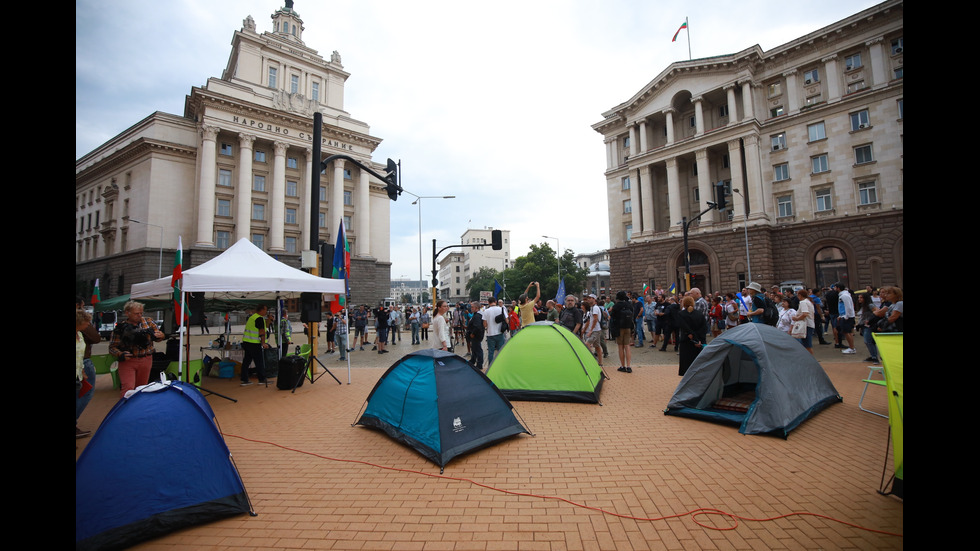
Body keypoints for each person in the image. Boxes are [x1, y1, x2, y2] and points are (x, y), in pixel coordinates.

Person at [108, 300, 166, 396]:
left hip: (146, 359)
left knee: (142, 388)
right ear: (127, 313)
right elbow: (112, 347)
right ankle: (125, 409)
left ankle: (138, 409)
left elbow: (158, 337)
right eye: (136, 313)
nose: (139, 315)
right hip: (129, 360)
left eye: (141, 313)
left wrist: (161, 336)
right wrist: (120, 354)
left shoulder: (148, 322)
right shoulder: (120, 328)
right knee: (128, 388)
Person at [76, 307, 100, 439]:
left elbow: (79, 356)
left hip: (78, 374)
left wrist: (82, 371)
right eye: (87, 322)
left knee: (83, 396)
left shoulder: (79, 335)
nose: (88, 325)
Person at [239, 304, 271, 386]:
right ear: (262, 309)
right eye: (265, 310)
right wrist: (263, 343)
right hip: (254, 343)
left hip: (247, 342)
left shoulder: (252, 317)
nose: (266, 312)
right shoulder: (259, 318)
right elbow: (261, 332)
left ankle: (244, 379)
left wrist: (268, 321)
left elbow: (260, 328)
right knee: (259, 361)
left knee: (246, 361)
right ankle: (262, 379)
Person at [677, 296, 708, 377]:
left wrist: (693, 337)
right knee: (697, 364)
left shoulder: (681, 314)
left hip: (687, 341)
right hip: (698, 343)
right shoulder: (699, 314)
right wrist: (699, 340)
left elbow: (685, 327)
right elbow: (704, 328)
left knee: (687, 365)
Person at [610, 291, 634, 373]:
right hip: (628, 327)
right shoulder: (629, 305)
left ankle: (622, 366)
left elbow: (612, 317)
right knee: (627, 346)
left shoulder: (616, 306)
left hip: (619, 328)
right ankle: (629, 366)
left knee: (620, 347)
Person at [582, 294, 604, 370]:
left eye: (590, 298)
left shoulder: (595, 308)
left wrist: (590, 330)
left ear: (594, 299)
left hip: (595, 330)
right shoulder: (592, 308)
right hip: (596, 329)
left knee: (587, 343)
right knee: (597, 346)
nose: (588, 299)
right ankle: (600, 363)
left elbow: (595, 319)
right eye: (588, 298)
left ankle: (593, 360)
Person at [855, 291, 878, 362]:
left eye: (861, 297)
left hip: (869, 326)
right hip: (863, 326)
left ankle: (874, 357)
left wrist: (870, 320)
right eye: (859, 297)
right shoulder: (862, 306)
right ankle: (873, 356)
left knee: (868, 341)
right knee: (867, 341)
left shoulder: (870, 305)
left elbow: (877, 312)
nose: (859, 299)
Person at [792, 289, 815, 355]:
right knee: (806, 344)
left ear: (800, 295)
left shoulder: (803, 302)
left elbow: (805, 313)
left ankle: (811, 360)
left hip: (806, 324)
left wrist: (796, 318)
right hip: (809, 324)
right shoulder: (808, 301)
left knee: (807, 345)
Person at [483, 299, 505, 365]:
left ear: (488, 302)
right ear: (495, 302)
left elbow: (485, 324)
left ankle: (490, 366)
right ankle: (501, 364)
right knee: (500, 351)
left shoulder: (486, 311)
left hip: (490, 334)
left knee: (491, 352)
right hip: (500, 333)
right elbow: (507, 320)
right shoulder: (501, 309)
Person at [836, 283, 857, 354]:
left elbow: (848, 306)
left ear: (838, 288)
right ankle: (851, 347)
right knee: (848, 332)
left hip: (847, 317)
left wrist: (846, 316)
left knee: (846, 332)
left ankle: (852, 348)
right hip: (845, 315)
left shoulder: (844, 296)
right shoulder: (844, 295)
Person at [466, 301, 485, 369]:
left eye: (472, 307)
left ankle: (479, 364)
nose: (471, 308)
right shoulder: (476, 314)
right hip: (476, 335)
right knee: (474, 348)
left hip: (476, 335)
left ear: (476, 308)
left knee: (477, 349)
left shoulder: (477, 316)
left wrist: (473, 333)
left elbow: (477, 326)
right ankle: (473, 360)